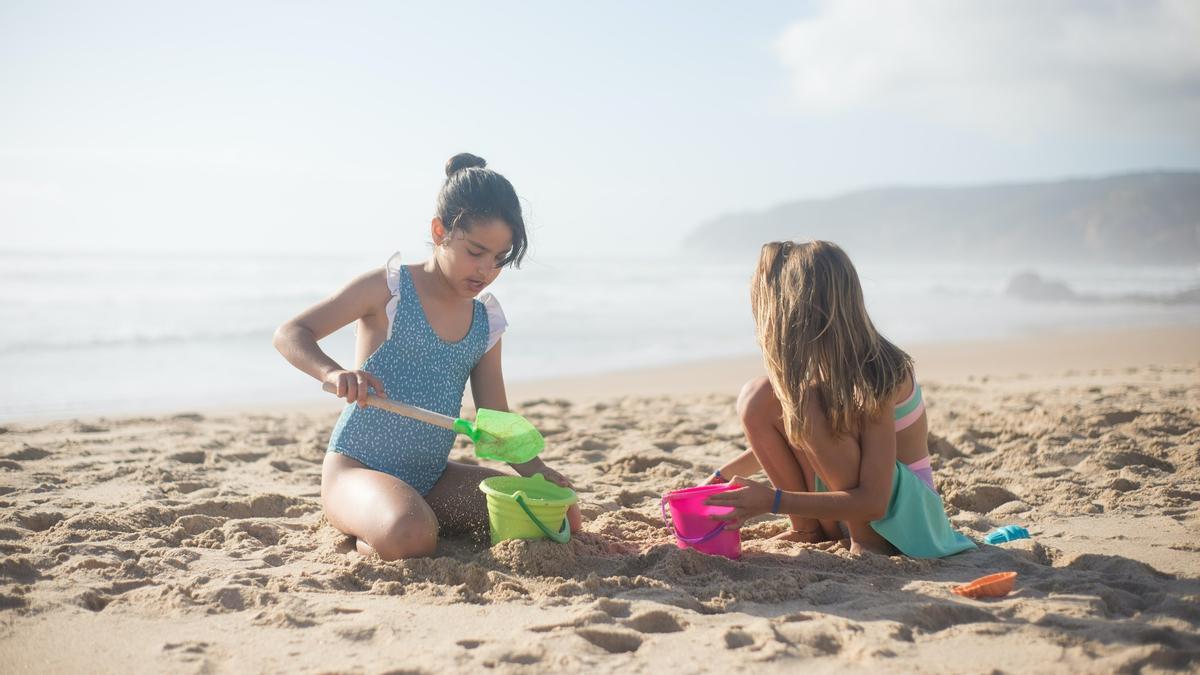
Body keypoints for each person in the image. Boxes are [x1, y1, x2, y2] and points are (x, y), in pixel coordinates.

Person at [274, 153, 581, 560]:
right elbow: (291, 333)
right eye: (475, 251)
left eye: (499, 259)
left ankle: (405, 516)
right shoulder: (389, 289)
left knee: (560, 520)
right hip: (357, 469)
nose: (486, 269)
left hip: (433, 477)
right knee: (413, 535)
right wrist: (334, 374)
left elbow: (497, 421)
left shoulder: (484, 321)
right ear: (440, 231)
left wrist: (539, 472)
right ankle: (368, 533)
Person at [705, 241, 974, 558]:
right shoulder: (823, 370)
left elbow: (874, 499)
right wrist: (719, 478)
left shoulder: (878, 373)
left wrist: (772, 500)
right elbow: (790, 436)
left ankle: (867, 542)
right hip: (847, 502)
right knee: (759, 396)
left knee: (808, 404)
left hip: (904, 523)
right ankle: (808, 529)